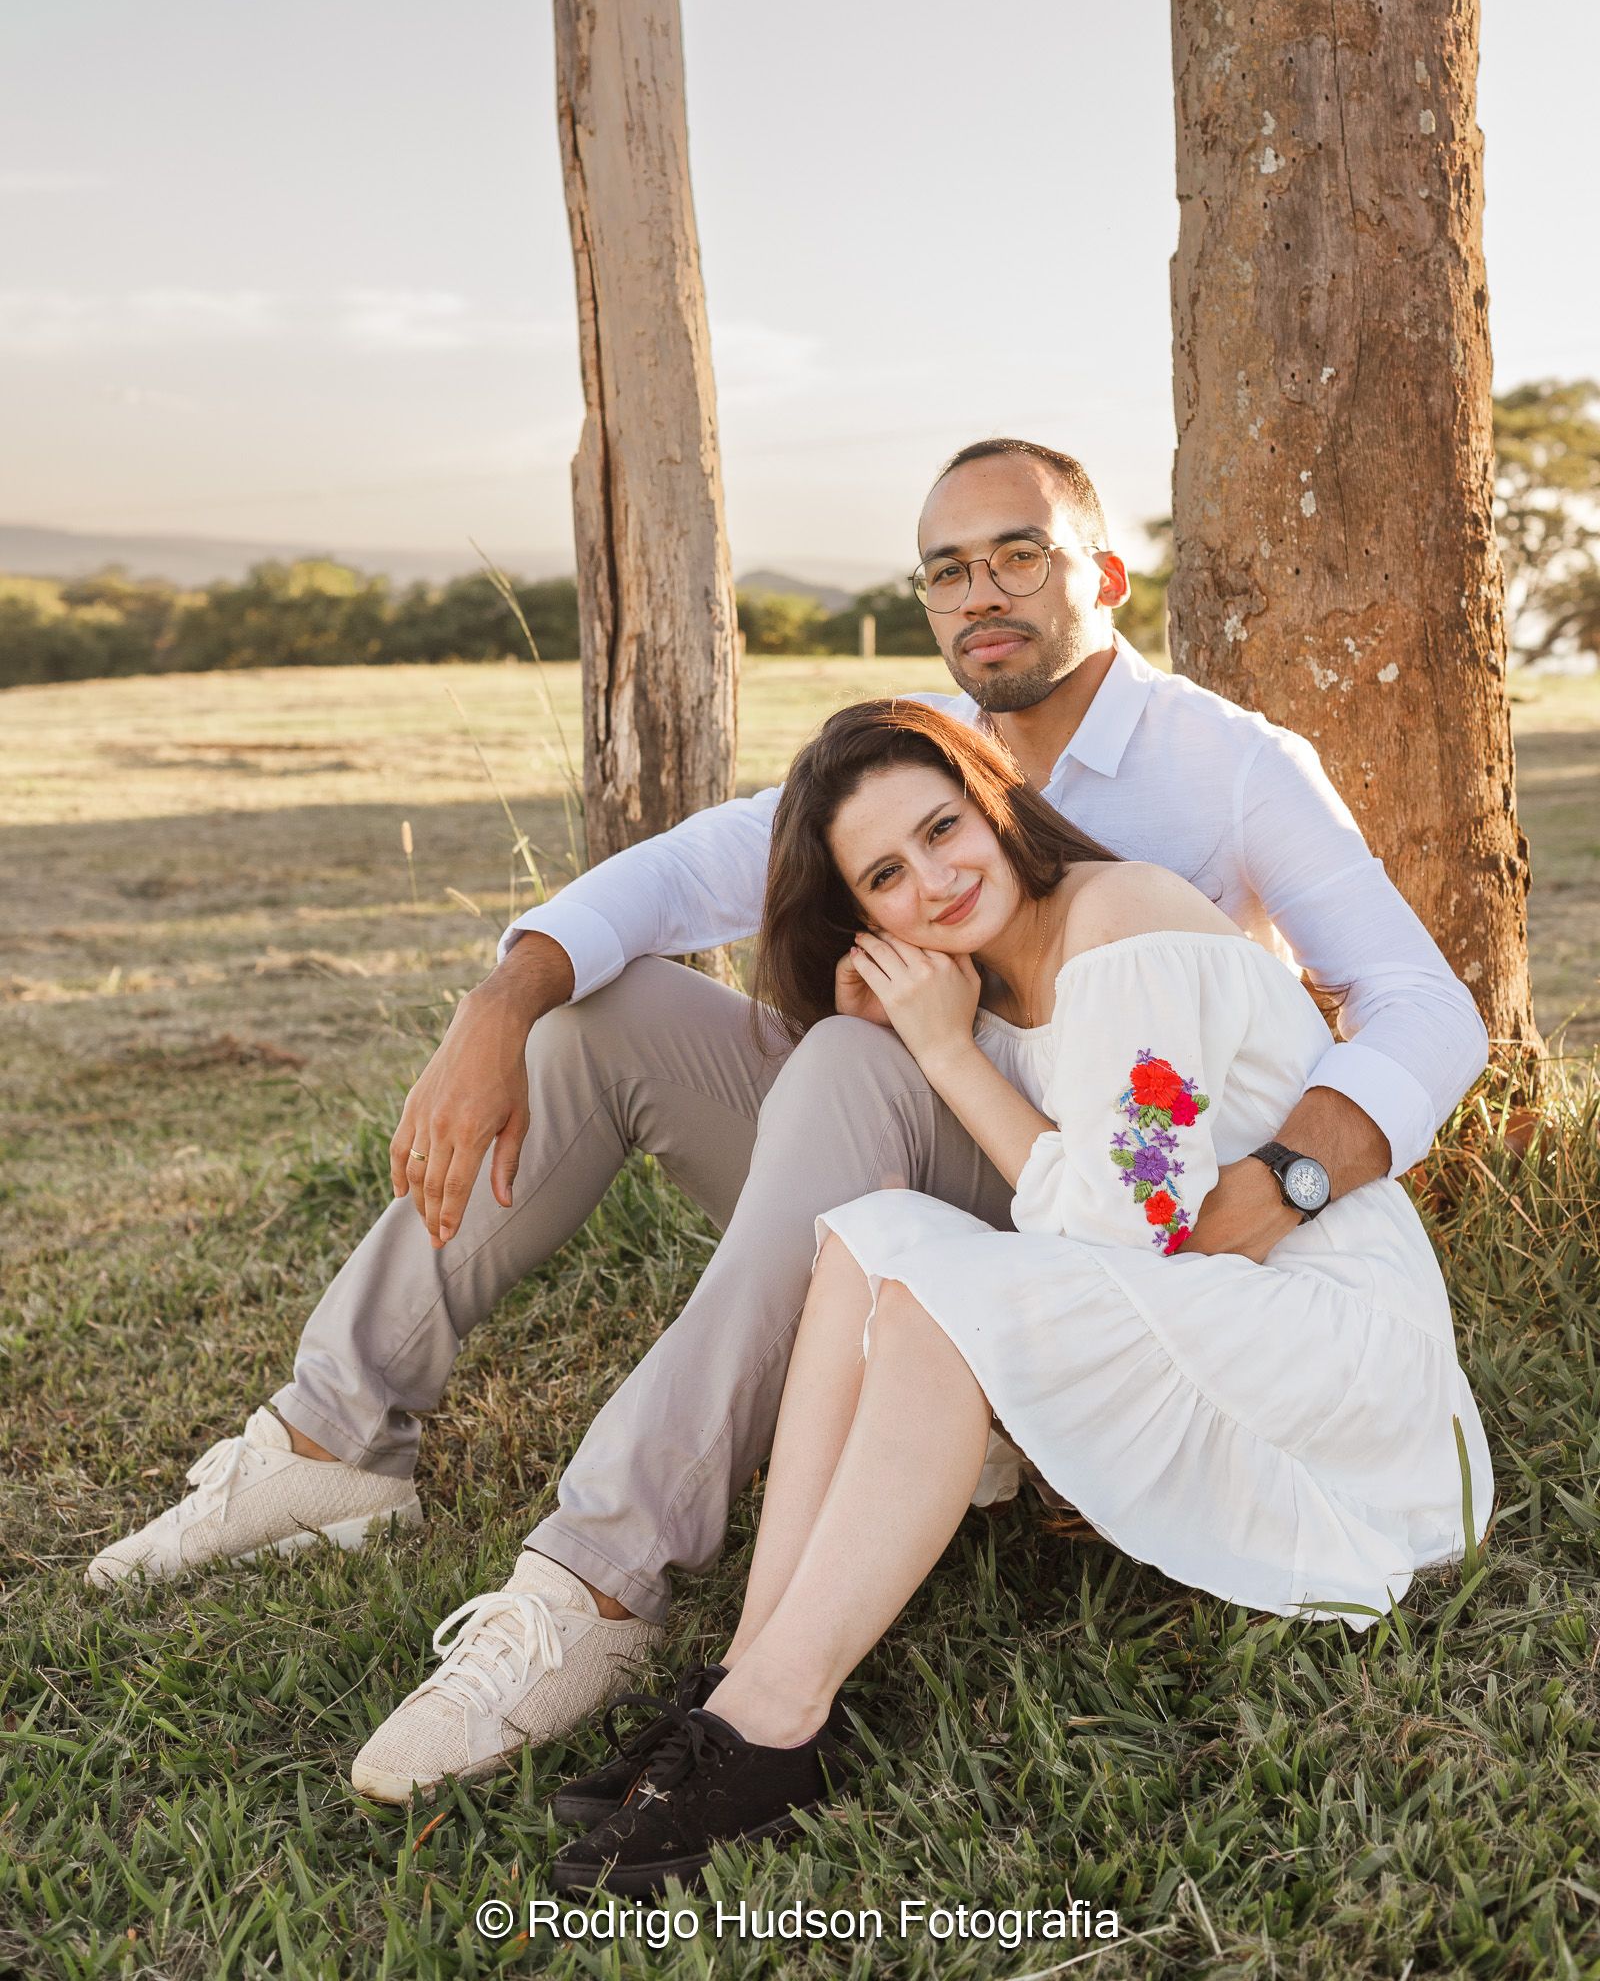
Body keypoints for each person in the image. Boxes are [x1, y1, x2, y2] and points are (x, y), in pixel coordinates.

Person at [86, 438, 1489, 1810]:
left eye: (1019, 556)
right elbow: (678, 875)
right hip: (980, 1142)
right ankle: (330, 1439)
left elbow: (1424, 1006)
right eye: (947, 570)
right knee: (608, 1010)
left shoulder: (1226, 764)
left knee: (852, 1066)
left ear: (1105, 574)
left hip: (1128, 1210)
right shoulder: (918, 756)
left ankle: (599, 1579)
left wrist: (1290, 1176)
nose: (981, 594)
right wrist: (501, 997)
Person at [544, 699, 1494, 1895]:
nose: (934, 881)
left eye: (942, 829)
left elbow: (1133, 1224)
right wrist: (917, 1033)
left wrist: (944, 1053)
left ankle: (779, 1715)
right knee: (866, 1241)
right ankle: (742, 1683)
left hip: (1324, 1336)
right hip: (1207, 1301)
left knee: (939, 1288)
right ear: (864, 917)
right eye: (887, 876)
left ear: (995, 803)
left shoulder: (1122, 921)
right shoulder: (985, 982)